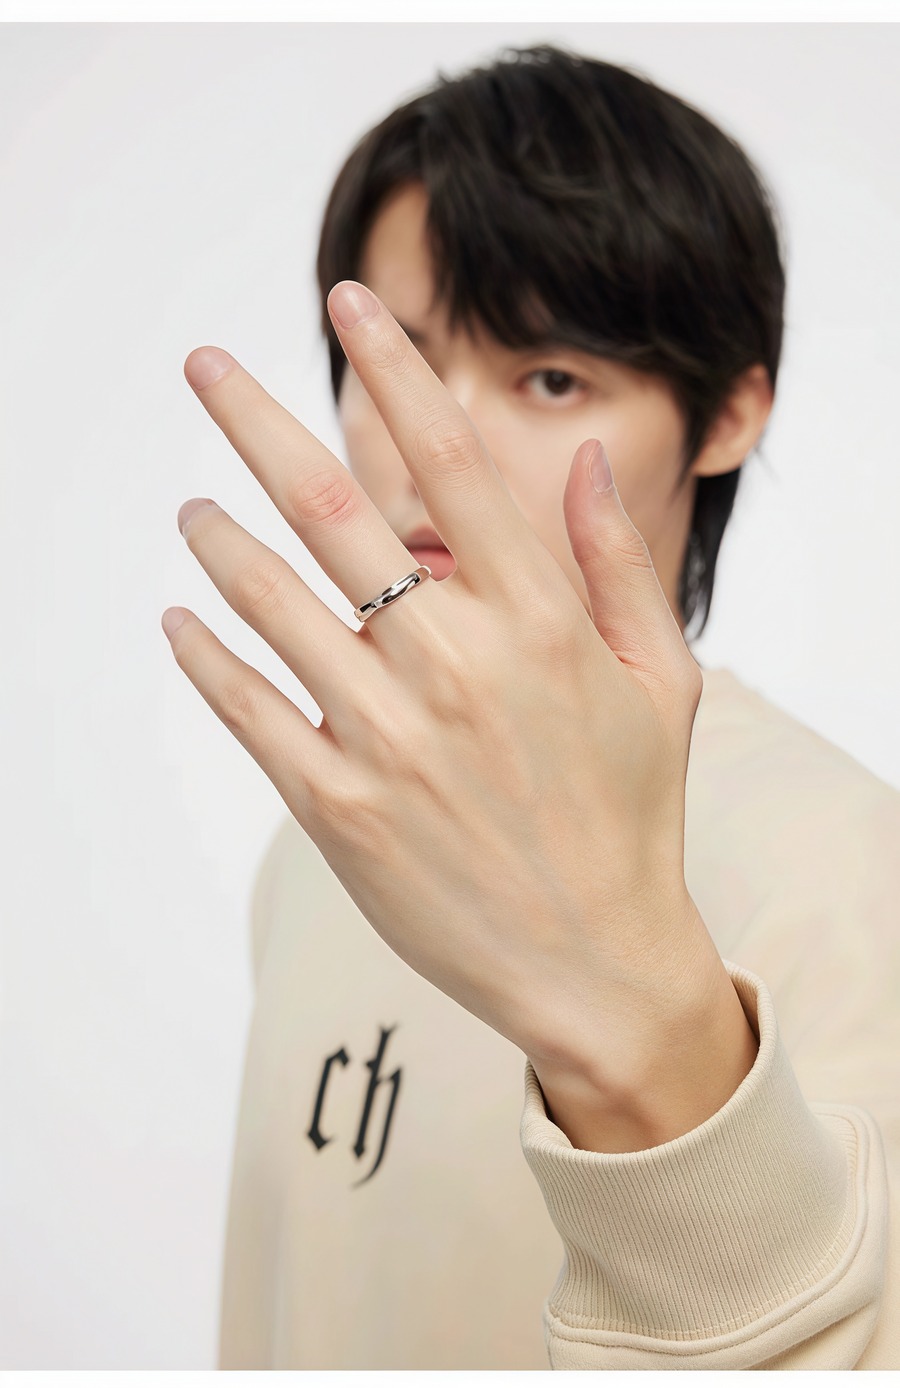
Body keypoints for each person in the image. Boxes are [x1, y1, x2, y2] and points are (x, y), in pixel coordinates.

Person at [162, 43, 898, 1369]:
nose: (435, 443)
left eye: (551, 378)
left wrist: (638, 1021)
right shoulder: (319, 840)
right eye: (395, 359)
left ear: (728, 415)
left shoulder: (848, 870)